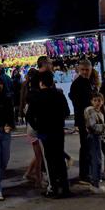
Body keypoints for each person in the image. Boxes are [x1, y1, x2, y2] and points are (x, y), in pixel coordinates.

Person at [28, 70, 71, 198]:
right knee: (59, 159)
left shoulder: (37, 97)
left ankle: (53, 188)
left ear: (41, 83)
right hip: (58, 130)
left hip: (44, 132)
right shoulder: (59, 95)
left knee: (50, 160)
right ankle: (65, 187)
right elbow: (67, 112)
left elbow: (29, 116)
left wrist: (37, 126)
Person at [69, 59, 97, 184]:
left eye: (87, 70)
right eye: (83, 70)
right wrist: (81, 123)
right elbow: (77, 106)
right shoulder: (77, 84)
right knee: (85, 147)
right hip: (84, 121)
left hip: (92, 119)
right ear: (79, 70)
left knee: (91, 147)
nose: (85, 72)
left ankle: (90, 171)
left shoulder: (90, 82)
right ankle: (84, 174)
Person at [21, 68, 44, 188]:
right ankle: (38, 180)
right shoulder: (37, 93)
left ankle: (31, 175)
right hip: (36, 127)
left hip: (31, 126)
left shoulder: (27, 89)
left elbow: (24, 107)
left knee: (38, 154)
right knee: (39, 155)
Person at [84, 93, 105, 194]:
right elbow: (92, 127)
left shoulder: (100, 113)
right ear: (91, 101)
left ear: (102, 102)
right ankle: (95, 184)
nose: (97, 103)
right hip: (93, 137)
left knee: (96, 159)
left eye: (99, 100)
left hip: (97, 137)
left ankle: (95, 181)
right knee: (97, 160)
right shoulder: (90, 111)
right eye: (95, 100)